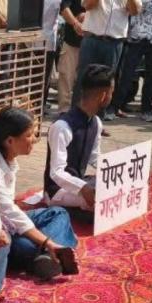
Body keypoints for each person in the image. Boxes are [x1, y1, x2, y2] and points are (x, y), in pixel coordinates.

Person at [0, 107, 79, 292]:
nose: (35, 139)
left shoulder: (7, 159)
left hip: (5, 224)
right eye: (29, 135)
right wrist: (48, 242)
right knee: (26, 244)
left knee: (58, 212)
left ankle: (46, 256)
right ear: (10, 140)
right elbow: (9, 212)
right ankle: (48, 252)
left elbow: (10, 209)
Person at [45, 64, 114, 210]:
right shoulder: (62, 127)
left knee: (118, 190)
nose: (111, 97)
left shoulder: (95, 122)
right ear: (103, 96)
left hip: (79, 182)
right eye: (111, 93)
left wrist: (115, 170)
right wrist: (83, 188)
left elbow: (94, 157)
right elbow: (56, 173)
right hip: (57, 191)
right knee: (105, 204)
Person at [105, 0, 152, 121]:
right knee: (127, 74)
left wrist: (145, 6)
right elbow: (136, 9)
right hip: (137, 36)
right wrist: (146, 7)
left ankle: (146, 110)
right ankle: (113, 108)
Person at [71, 0, 143, 108]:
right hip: (92, 39)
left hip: (114, 43)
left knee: (105, 83)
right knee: (83, 79)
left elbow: (135, 11)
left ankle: (97, 119)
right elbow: (87, 5)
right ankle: (76, 116)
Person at [58, 0, 87, 112]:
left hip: (94, 41)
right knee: (66, 78)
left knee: (86, 81)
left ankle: (83, 111)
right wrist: (75, 22)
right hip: (72, 41)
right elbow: (64, 7)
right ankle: (64, 111)